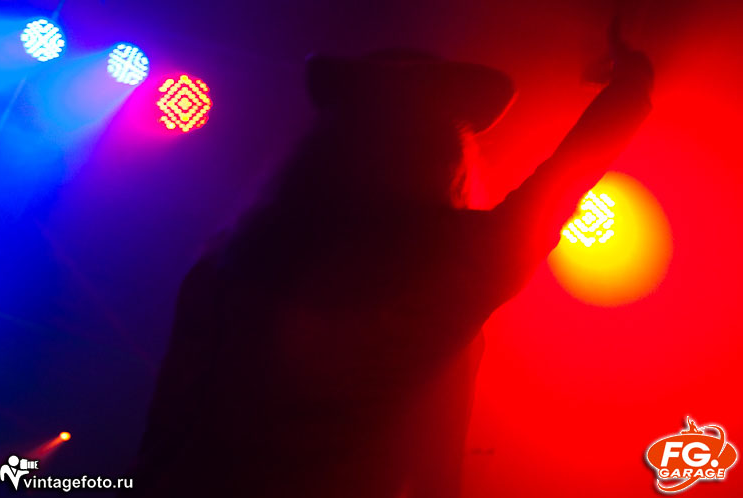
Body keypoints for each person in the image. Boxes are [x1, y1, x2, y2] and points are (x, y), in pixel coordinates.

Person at [127, 21, 653, 498]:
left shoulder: (232, 261)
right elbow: (567, 177)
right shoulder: (460, 264)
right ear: (444, 154)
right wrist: (631, 81)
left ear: (327, 148)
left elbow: (167, 424)